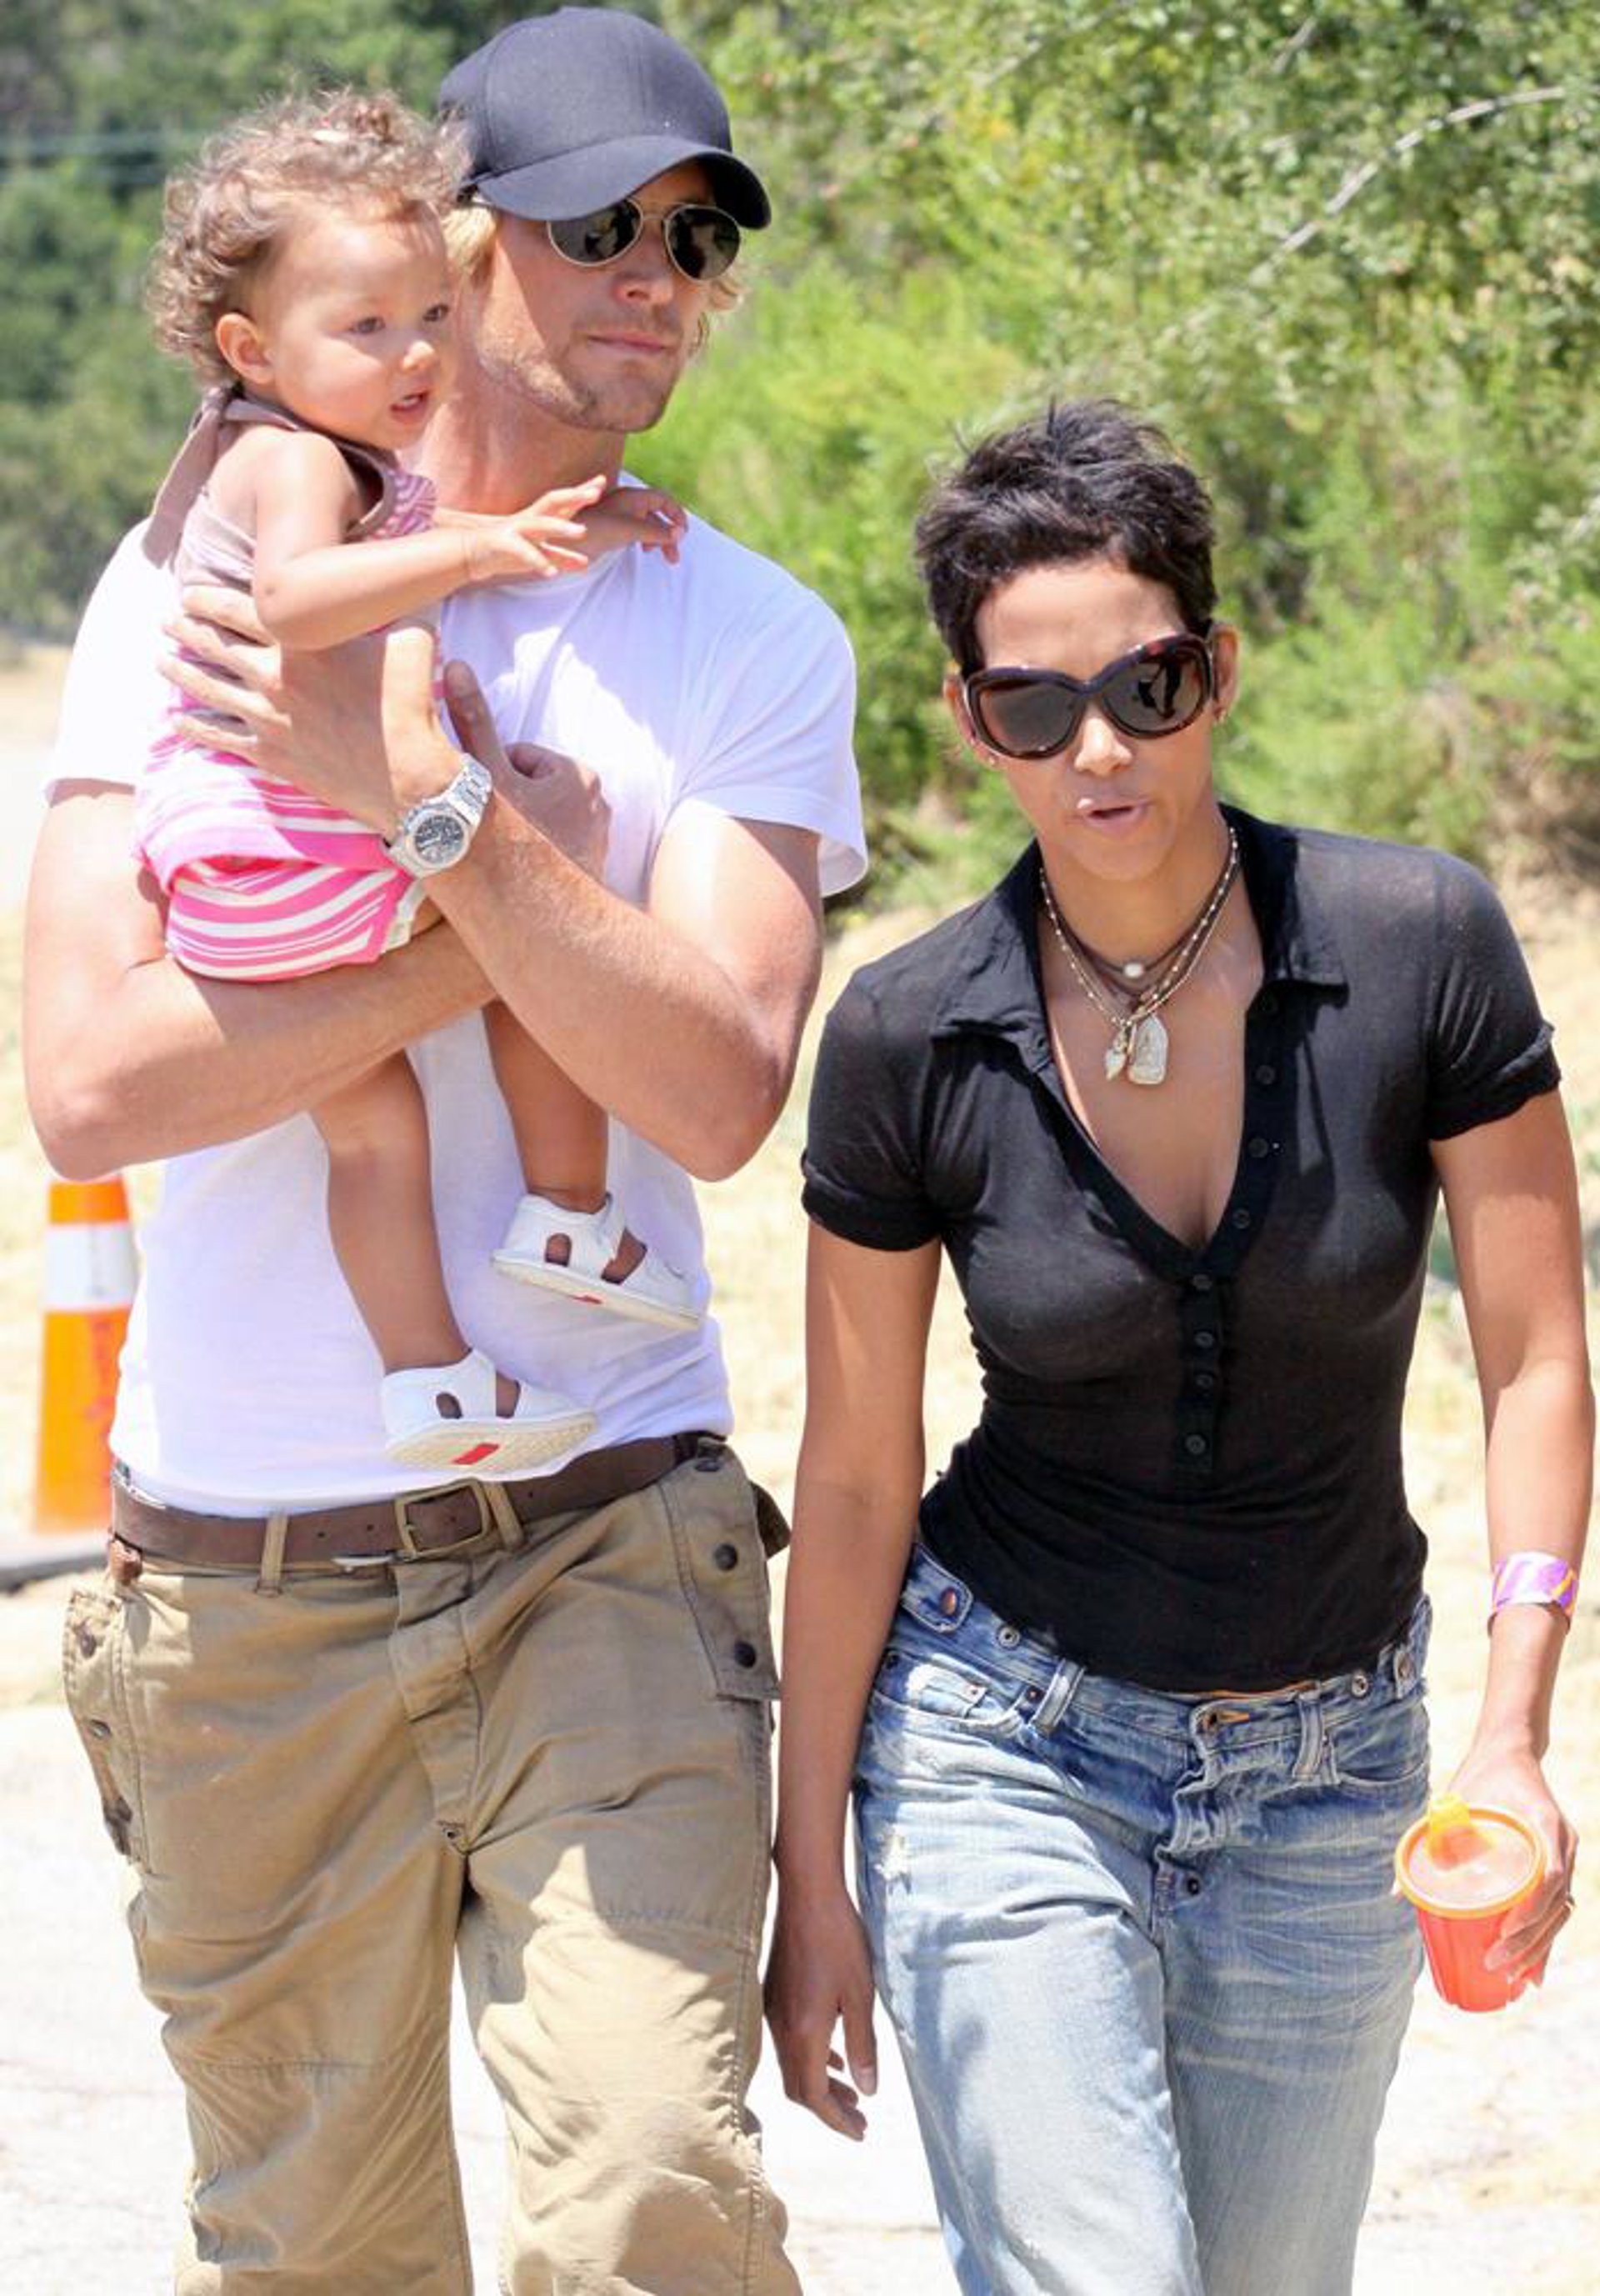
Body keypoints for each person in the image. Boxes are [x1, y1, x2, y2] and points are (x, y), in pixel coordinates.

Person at [26, 9, 862, 2289]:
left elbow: (713, 1089)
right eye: (599, 228)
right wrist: (488, 939)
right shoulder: (187, 586)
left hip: (610, 1535)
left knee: (652, 2203)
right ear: (452, 238)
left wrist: (425, 809)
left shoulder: (750, 634)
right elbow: (89, 1086)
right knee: (316, 2254)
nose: (656, 277)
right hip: (242, 1589)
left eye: (697, 241)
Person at [765, 400, 1588, 2296]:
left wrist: (1515, 1731)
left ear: (1216, 667)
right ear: (970, 721)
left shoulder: (1422, 943)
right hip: (1001, 1742)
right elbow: (858, 1478)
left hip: (1336, 1769)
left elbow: (1538, 1361)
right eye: (1032, 706)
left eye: (1145, 686)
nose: (1100, 749)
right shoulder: (903, 1034)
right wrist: (814, 1876)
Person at [139, 87, 702, 1479]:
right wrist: (484, 554)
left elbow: (407, 546)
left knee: (376, 1136)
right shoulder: (290, 458)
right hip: (292, 847)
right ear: (251, 348)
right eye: (368, 327)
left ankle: (433, 1382)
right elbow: (301, 596)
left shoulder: (295, 453)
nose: (415, 356)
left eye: (433, 317)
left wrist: (551, 529)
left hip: (230, 875)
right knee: (526, 920)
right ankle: (568, 1212)